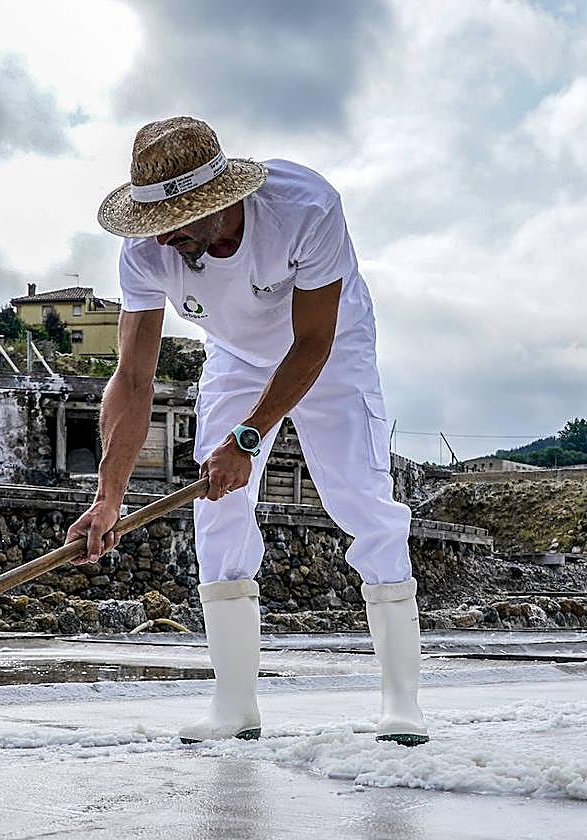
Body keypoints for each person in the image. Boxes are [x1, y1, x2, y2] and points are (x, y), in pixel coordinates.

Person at [66, 117, 427, 746]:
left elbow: (312, 341)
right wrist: (108, 497)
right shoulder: (149, 250)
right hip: (236, 353)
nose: (166, 237)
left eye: (179, 221)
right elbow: (132, 380)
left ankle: (402, 702)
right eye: (155, 224)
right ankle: (235, 706)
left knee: (361, 502)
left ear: (222, 199)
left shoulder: (305, 207)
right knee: (218, 508)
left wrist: (251, 436)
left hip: (331, 349)